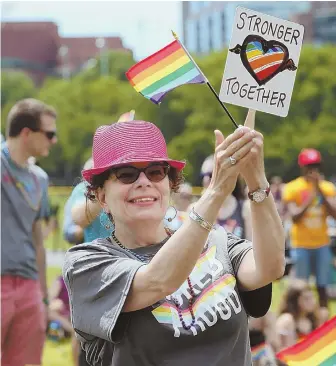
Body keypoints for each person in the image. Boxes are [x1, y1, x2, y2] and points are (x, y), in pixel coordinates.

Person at [63, 116, 285, 366]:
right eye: (126, 174)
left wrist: (257, 180)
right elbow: (157, 281)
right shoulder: (85, 264)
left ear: (170, 184)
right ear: (102, 197)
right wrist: (215, 193)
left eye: (155, 172)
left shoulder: (216, 241)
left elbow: (270, 268)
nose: (144, 182)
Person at [1, 98, 57, 366]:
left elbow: (38, 242)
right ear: (26, 133)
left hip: (29, 287)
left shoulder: (40, 179)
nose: (53, 140)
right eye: (49, 134)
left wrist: (44, 297)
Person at [282, 149, 336, 307]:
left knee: (323, 286)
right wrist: (312, 195)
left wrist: (320, 192)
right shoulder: (293, 187)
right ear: (302, 167)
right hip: (300, 245)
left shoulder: (327, 187)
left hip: (322, 244)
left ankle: (323, 322)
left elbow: (334, 214)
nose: (314, 169)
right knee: (300, 287)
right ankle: (301, 320)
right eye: (310, 166)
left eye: (316, 165)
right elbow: (294, 217)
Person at [200, 154, 247, 239]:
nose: (205, 180)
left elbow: (253, 247)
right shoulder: (196, 210)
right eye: (203, 175)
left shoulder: (245, 208)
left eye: (211, 175)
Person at [275, 279, 329, 350]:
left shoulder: (313, 319)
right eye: (306, 298)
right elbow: (286, 350)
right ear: (295, 301)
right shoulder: (287, 320)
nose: (312, 301)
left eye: (312, 297)